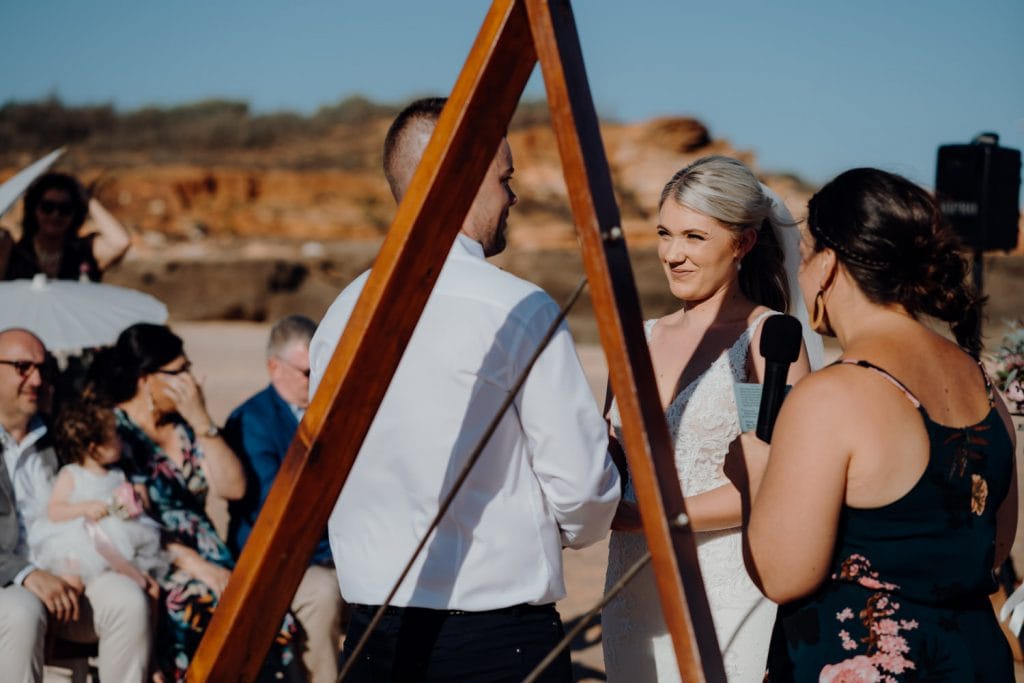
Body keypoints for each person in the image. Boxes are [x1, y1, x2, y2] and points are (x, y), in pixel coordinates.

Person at [309, 97, 621, 682]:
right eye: (504, 178)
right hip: (494, 641)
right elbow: (581, 491)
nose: (513, 196)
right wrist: (594, 501)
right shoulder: (516, 309)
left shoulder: (338, 317)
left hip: (372, 639)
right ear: (462, 179)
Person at [730, 168, 1018, 680]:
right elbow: (992, 548)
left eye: (805, 258)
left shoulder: (834, 395)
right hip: (974, 661)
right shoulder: (984, 386)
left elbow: (782, 576)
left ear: (829, 266)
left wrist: (756, 473)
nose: (801, 276)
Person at [602, 155, 815, 682]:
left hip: (725, 592)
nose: (672, 254)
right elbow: (605, 462)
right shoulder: (635, 339)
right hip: (630, 592)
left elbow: (786, 485)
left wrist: (650, 517)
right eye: (665, 233)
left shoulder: (770, 341)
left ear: (742, 243)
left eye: (695, 237)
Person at [88, 323, 301, 682]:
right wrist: (196, 566)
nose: (191, 378)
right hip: (151, 558)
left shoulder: (184, 426)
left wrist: (202, 420)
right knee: (203, 608)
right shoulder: (113, 432)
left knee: (264, 611)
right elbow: (126, 521)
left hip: (209, 553)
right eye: (180, 371)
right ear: (146, 378)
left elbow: (233, 488)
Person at [0, 327, 152, 683]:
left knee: (128, 601)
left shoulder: (61, 437)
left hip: (73, 574)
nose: (36, 379)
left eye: (43, 368)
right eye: (23, 367)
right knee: (22, 610)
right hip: (8, 585)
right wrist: (24, 573)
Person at [225, 314, 344, 683]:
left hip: (334, 546)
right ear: (274, 367)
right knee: (323, 595)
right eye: (308, 372)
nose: (317, 380)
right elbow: (274, 509)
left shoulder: (336, 409)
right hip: (279, 557)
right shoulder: (251, 422)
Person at [30, 399, 165, 596]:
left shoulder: (118, 474)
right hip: (79, 539)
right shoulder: (72, 474)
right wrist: (84, 507)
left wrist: (135, 500)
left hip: (119, 538)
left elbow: (136, 505)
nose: (121, 440)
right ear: (94, 448)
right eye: (114, 436)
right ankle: (66, 623)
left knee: (148, 587)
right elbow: (55, 511)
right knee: (72, 579)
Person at [1, 171, 132, 282]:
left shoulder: (85, 252)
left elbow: (120, 242)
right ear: (34, 209)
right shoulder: (15, 253)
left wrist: (86, 198)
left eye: (65, 209)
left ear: (76, 213)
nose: (55, 215)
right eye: (48, 207)